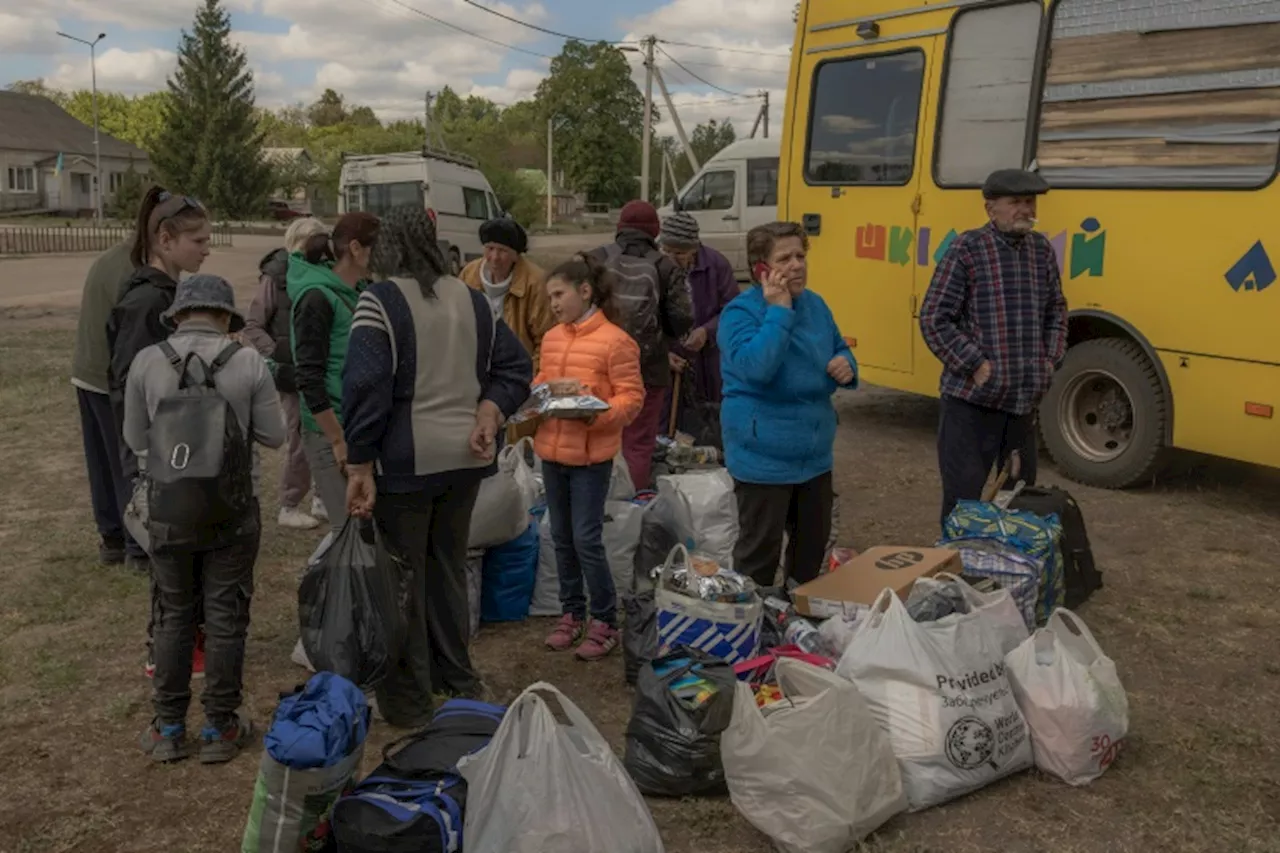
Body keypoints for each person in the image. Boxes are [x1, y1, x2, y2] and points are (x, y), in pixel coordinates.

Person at [343, 205, 532, 727]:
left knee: (402, 577)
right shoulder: (472, 301)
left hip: (405, 463)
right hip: (465, 462)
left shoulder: (379, 301)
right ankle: (456, 675)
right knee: (447, 566)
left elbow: (364, 386)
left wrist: (359, 463)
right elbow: (517, 367)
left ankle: (408, 697)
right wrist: (490, 410)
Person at [123, 274, 286, 763]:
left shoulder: (147, 361)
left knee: (173, 612)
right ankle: (220, 727)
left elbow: (135, 438)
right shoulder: (248, 361)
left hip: (167, 511)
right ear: (225, 316)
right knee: (225, 614)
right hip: (232, 510)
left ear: (178, 315)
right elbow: (276, 436)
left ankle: (169, 726)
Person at [920, 168, 1068, 529]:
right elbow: (934, 318)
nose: (1025, 209)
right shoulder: (967, 249)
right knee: (964, 502)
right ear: (991, 209)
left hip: (1020, 406)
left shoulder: (1041, 251)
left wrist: (1048, 361)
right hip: (971, 406)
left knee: (1018, 499)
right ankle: (956, 574)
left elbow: (1057, 312)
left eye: (1029, 202)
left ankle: (1005, 577)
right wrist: (975, 364)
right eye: (1015, 202)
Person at [719, 222, 858, 589]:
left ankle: (796, 628)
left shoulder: (816, 305)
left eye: (801, 256)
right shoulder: (739, 314)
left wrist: (847, 365)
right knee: (758, 558)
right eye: (784, 258)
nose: (797, 265)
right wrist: (778, 311)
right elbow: (756, 369)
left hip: (813, 456)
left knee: (809, 556)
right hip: (762, 459)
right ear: (760, 269)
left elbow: (837, 347)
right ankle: (752, 632)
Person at [534, 255, 644, 661]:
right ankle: (571, 612)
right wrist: (537, 397)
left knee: (586, 539)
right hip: (551, 450)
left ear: (585, 291)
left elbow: (631, 398)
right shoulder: (551, 338)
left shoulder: (615, 341)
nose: (554, 305)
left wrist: (596, 415)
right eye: (550, 298)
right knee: (560, 537)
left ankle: (604, 620)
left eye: (559, 295)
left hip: (591, 457)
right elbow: (543, 382)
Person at [107, 186, 213, 573]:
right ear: (166, 241)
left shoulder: (170, 294)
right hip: (155, 446)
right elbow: (129, 382)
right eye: (198, 240)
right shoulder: (147, 302)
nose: (206, 249)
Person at [589, 200, 693, 489]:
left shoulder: (595, 259)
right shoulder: (665, 266)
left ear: (620, 227)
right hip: (648, 369)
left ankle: (598, 507)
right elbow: (682, 319)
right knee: (639, 442)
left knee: (597, 437)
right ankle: (633, 509)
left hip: (597, 366)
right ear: (655, 231)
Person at [287, 211, 380, 534]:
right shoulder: (316, 298)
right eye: (378, 248)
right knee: (350, 532)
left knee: (367, 532)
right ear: (356, 248)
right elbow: (308, 377)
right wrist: (337, 440)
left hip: (359, 425)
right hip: (331, 431)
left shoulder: (361, 290)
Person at [241, 216, 329, 530]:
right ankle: (289, 503)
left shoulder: (327, 272)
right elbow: (252, 325)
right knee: (299, 438)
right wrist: (278, 353)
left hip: (323, 371)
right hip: (292, 374)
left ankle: (322, 496)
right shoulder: (275, 277)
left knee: (326, 434)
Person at [72, 240, 140, 565]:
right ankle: (132, 542)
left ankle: (112, 538)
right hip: (108, 379)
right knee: (124, 462)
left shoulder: (111, 258)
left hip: (88, 371)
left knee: (101, 460)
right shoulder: (135, 269)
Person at [657, 211, 739, 444]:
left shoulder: (716, 265)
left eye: (680, 253)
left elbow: (733, 310)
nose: (672, 258)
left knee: (709, 421)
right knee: (664, 427)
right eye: (667, 251)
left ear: (694, 248)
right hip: (667, 358)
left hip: (707, 359)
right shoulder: (652, 265)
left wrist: (707, 331)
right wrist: (663, 351)